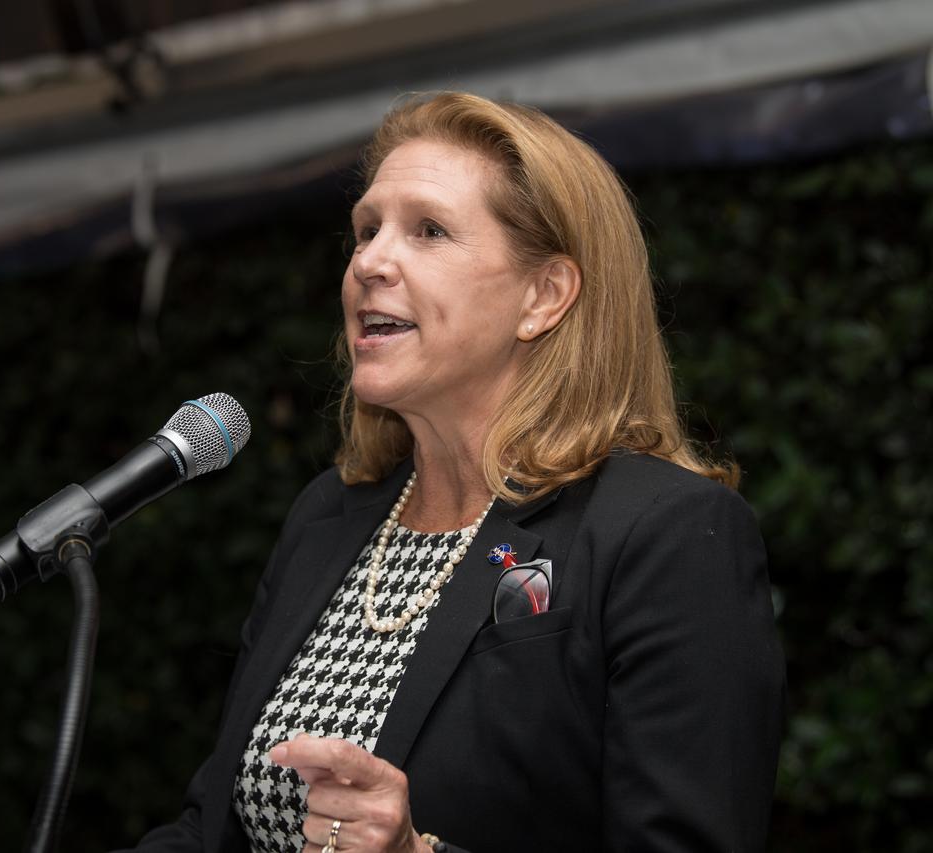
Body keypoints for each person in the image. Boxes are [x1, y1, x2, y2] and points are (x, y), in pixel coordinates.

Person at [117, 92, 784, 852]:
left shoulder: (662, 534)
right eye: (366, 230)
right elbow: (214, 828)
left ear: (545, 296)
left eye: (428, 231)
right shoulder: (330, 516)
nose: (368, 261)